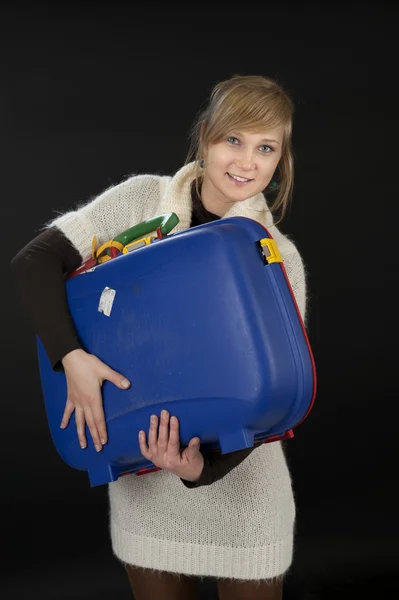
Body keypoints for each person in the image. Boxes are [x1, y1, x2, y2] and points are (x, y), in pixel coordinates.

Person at [11, 74, 308, 600]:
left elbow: (275, 400)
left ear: (279, 161)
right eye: (232, 140)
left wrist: (199, 469)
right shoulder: (138, 201)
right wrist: (72, 358)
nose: (246, 161)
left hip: (243, 497)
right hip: (143, 494)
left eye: (265, 148)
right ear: (204, 139)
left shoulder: (279, 259)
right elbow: (34, 263)